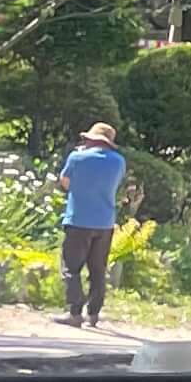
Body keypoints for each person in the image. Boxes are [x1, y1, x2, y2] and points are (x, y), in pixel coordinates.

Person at [58, 121, 128, 329]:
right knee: (98, 269)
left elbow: (65, 182)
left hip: (78, 218)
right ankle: (94, 314)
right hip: (105, 222)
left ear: (91, 140)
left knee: (70, 267)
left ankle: (74, 311)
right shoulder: (119, 161)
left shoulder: (77, 157)